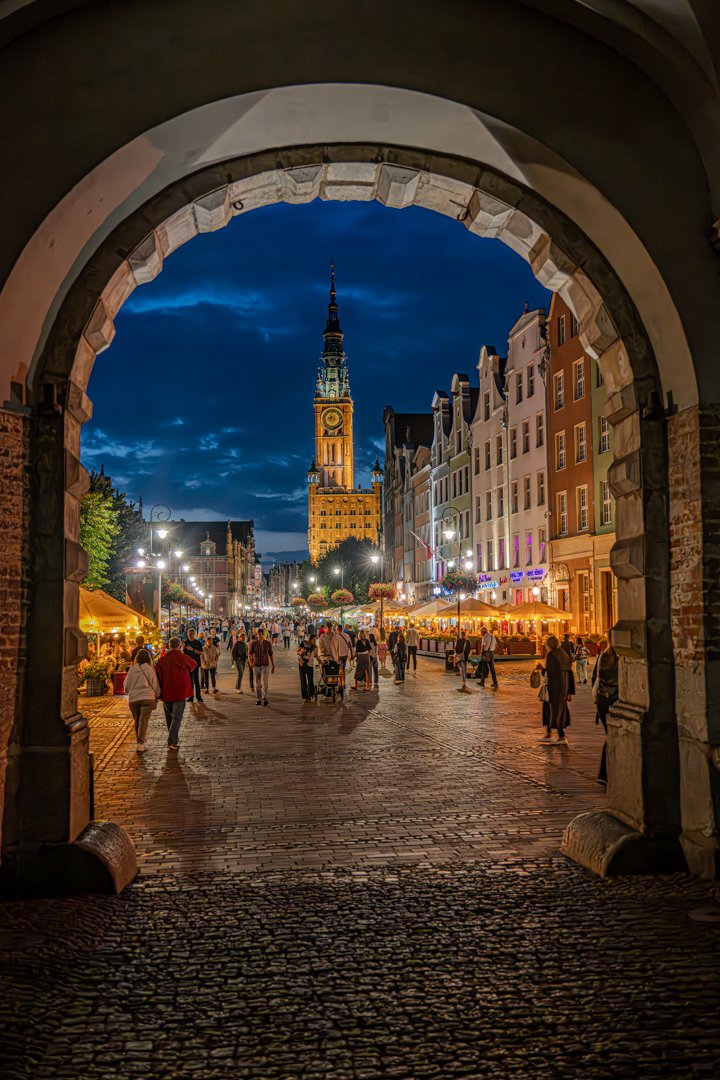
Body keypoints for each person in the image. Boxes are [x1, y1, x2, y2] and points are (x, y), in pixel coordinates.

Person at [155, 637, 197, 749]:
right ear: (180, 645)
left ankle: (173, 739)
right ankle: (172, 740)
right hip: (180, 691)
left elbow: (158, 674)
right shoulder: (182, 657)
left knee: (169, 717)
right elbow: (193, 665)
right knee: (177, 717)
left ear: (169, 645)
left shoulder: (163, 659)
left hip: (166, 691)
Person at [537, 635, 575, 746]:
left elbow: (549, 673)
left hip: (554, 687)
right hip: (563, 687)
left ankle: (561, 737)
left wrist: (541, 669)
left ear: (549, 645)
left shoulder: (551, 655)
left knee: (554, 711)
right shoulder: (563, 654)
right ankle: (548, 734)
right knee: (553, 709)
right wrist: (570, 691)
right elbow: (570, 673)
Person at [124, 647, 160, 752]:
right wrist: (157, 694)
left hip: (134, 699)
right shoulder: (149, 668)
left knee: (137, 720)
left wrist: (130, 692)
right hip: (147, 698)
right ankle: (140, 743)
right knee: (143, 720)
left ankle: (139, 741)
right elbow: (155, 684)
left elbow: (126, 686)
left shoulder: (132, 669)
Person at [594, 642, 619, 784]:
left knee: (610, 736)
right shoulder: (623, 657)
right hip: (615, 700)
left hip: (603, 700)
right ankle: (605, 774)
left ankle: (605, 774)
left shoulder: (603, 656)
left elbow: (594, 678)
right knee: (613, 736)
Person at [249, 627, 275, 706]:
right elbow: (250, 653)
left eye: (262, 634)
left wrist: (273, 665)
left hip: (265, 665)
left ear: (264, 635)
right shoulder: (254, 643)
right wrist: (251, 662)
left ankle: (265, 698)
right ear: (257, 635)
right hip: (256, 665)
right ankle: (259, 698)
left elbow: (270, 654)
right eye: (259, 634)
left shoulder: (268, 644)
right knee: (258, 683)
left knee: (265, 682)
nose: (260, 636)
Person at [183, 628, 204, 703]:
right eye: (189, 634)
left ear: (194, 634)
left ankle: (198, 697)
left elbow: (201, 653)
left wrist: (193, 650)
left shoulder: (197, 642)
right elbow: (183, 654)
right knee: (190, 681)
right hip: (188, 665)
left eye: (191, 634)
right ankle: (191, 696)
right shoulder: (185, 643)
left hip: (195, 664)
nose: (190, 635)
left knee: (196, 681)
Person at [297, 633, 320, 702]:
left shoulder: (315, 647)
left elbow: (317, 657)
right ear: (310, 639)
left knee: (310, 681)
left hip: (310, 665)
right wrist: (301, 652)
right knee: (303, 681)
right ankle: (306, 697)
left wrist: (322, 662)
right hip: (302, 664)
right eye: (313, 640)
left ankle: (310, 694)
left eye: (315, 640)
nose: (314, 641)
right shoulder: (303, 643)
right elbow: (297, 651)